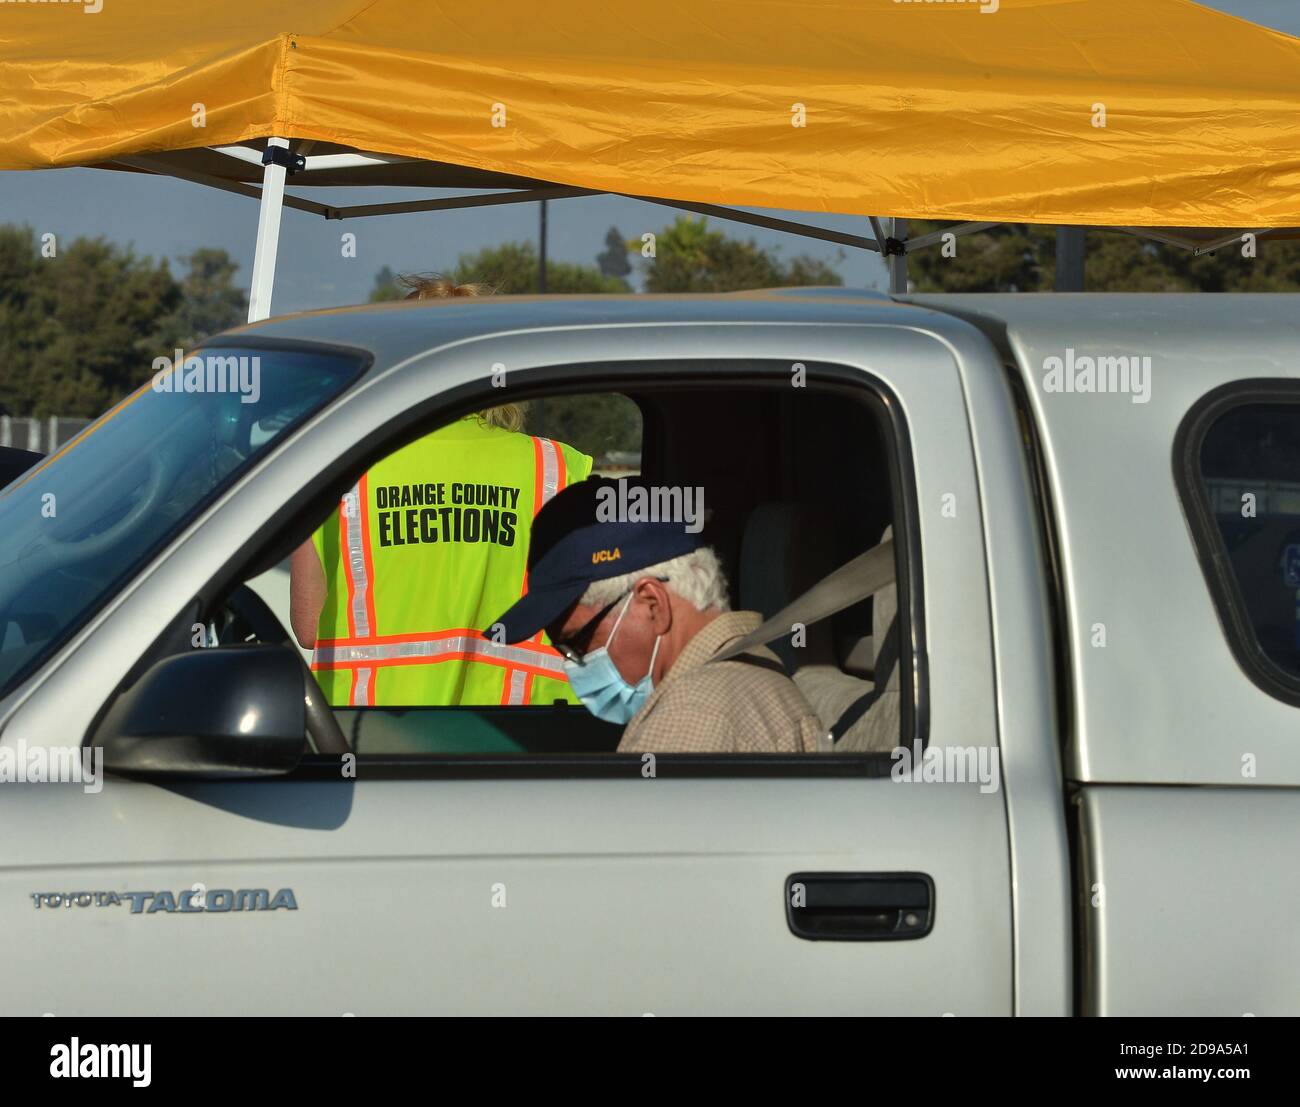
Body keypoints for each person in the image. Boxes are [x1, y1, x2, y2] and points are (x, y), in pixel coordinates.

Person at [290, 274, 593, 706]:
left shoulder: (339, 468)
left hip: (372, 744)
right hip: (521, 744)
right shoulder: (560, 468)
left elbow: (308, 626)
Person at [489, 477, 822, 753]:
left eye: (577, 642)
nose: (575, 663)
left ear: (652, 604)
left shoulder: (690, 717)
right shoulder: (755, 673)